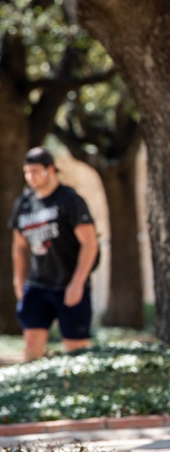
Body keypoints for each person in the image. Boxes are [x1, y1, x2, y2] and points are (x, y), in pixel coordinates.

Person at [9, 147, 99, 361]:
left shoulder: (69, 200)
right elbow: (19, 246)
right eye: (27, 172)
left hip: (69, 283)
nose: (31, 176)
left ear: (50, 170)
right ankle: (33, 391)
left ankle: (78, 390)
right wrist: (19, 282)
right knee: (31, 347)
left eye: (36, 170)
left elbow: (90, 243)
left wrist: (77, 283)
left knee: (76, 348)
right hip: (38, 284)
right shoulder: (24, 203)